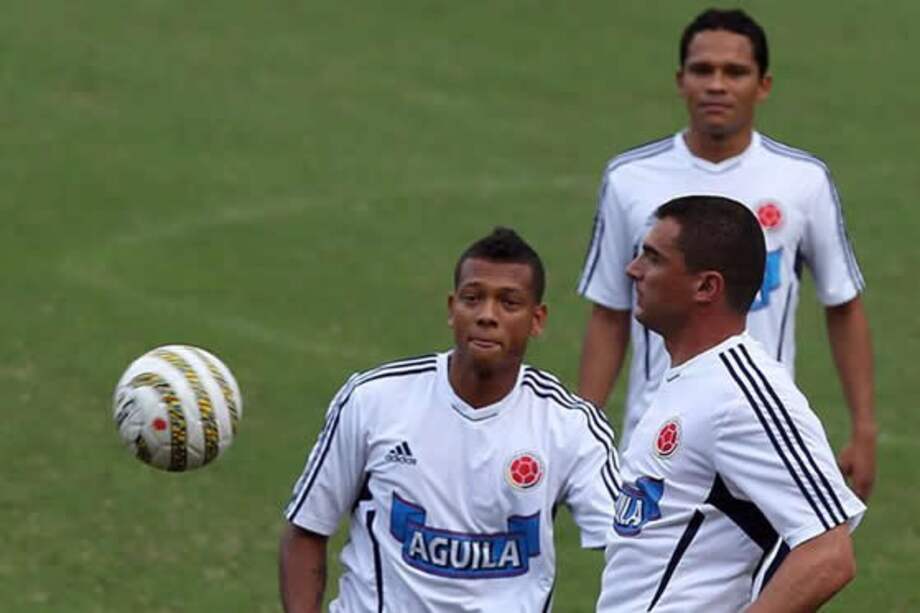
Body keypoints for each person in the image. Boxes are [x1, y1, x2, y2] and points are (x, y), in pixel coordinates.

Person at [576, 8, 876, 501]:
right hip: (656, 434)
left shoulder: (802, 181)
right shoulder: (630, 180)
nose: (717, 84)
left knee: (779, 575)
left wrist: (864, 428)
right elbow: (609, 313)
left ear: (763, 85)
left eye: (734, 72)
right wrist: (581, 437)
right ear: (681, 80)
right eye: (702, 70)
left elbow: (843, 303)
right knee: (647, 576)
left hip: (763, 433)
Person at [279, 228, 620, 613]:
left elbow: (633, 549)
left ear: (537, 320)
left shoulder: (569, 426)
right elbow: (308, 528)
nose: (487, 316)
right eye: (473, 299)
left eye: (509, 303)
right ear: (451, 308)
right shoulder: (373, 400)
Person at [596, 195, 865, 612]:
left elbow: (829, 553)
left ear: (706, 286)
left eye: (652, 258)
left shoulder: (741, 394)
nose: (633, 270)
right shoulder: (690, 382)